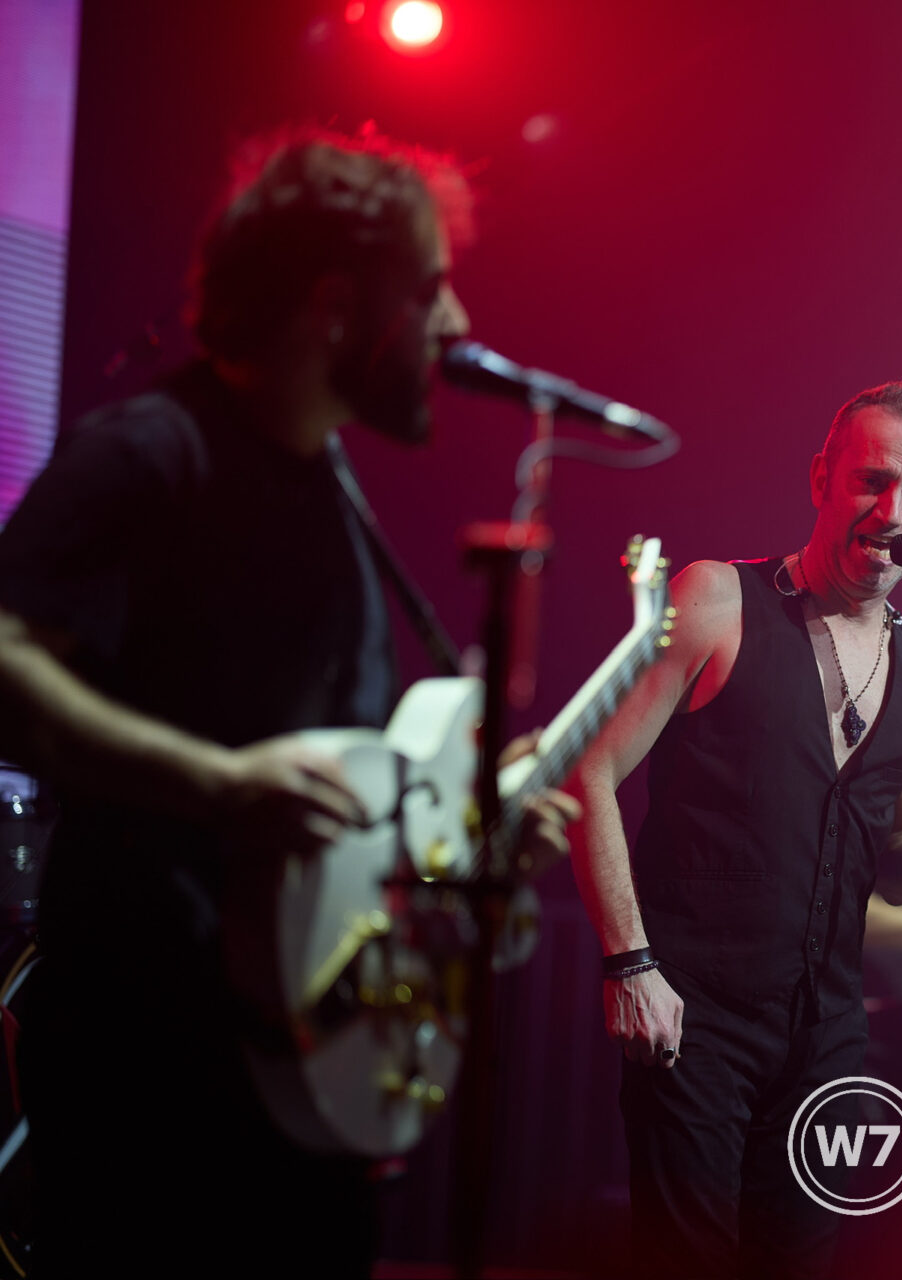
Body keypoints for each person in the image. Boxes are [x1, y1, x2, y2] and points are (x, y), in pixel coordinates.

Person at [0, 128, 578, 1278]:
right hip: (150, 1075)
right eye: (429, 287)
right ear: (334, 303)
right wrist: (217, 783)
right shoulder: (150, 453)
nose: (456, 320)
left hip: (299, 1078)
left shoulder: (332, 489)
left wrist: (467, 849)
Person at [571, 381, 902, 1278]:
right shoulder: (717, 599)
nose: (893, 511)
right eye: (872, 481)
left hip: (827, 1042)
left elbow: (896, 868)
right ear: (820, 480)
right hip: (695, 1020)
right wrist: (629, 964)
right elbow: (588, 772)